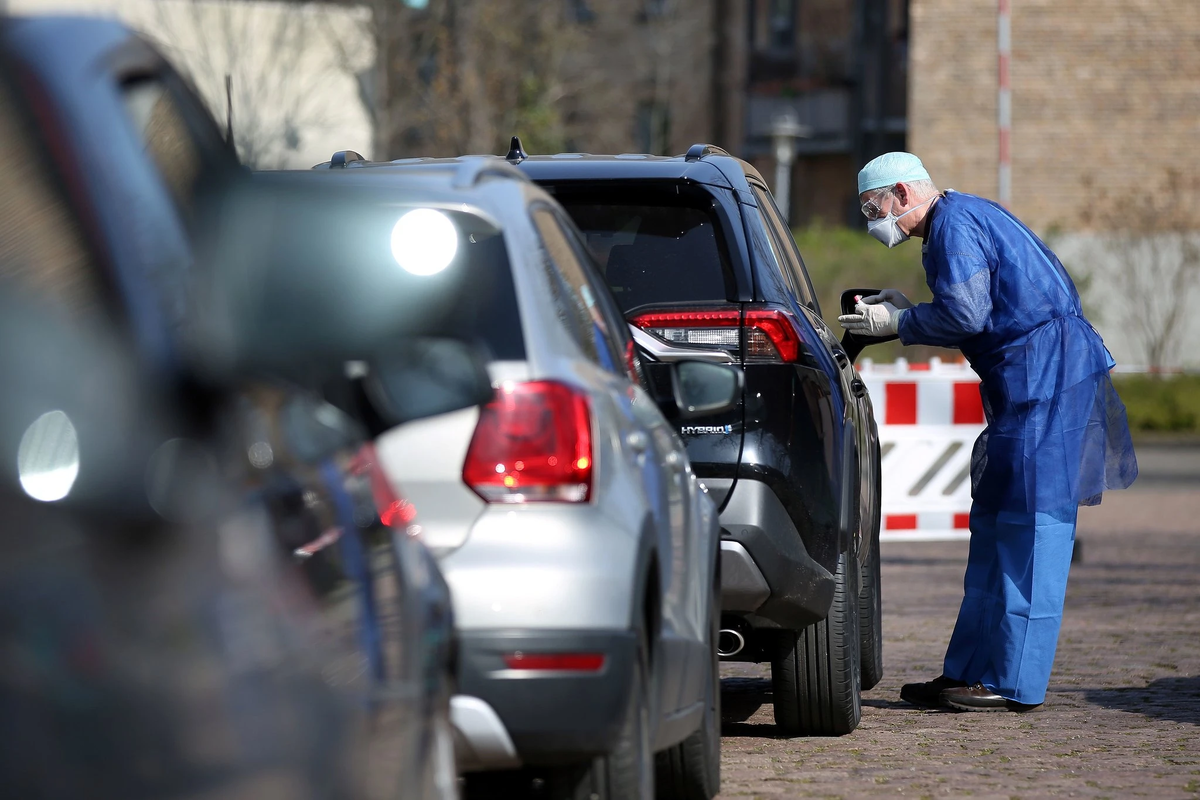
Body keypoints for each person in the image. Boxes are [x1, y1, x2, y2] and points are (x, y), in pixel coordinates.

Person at [839, 152, 1138, 712]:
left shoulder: (954, 226)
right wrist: (908, 308)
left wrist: (900, 323)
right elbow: (975, 304)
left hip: (1044, 382)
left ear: (902, 193)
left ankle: (1011, 680)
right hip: (1029, 384)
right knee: (998, 532)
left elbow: (968, 315)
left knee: (1029, 531)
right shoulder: (958, 220)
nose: (872, 219)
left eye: (872, 206)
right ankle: (969, 670)